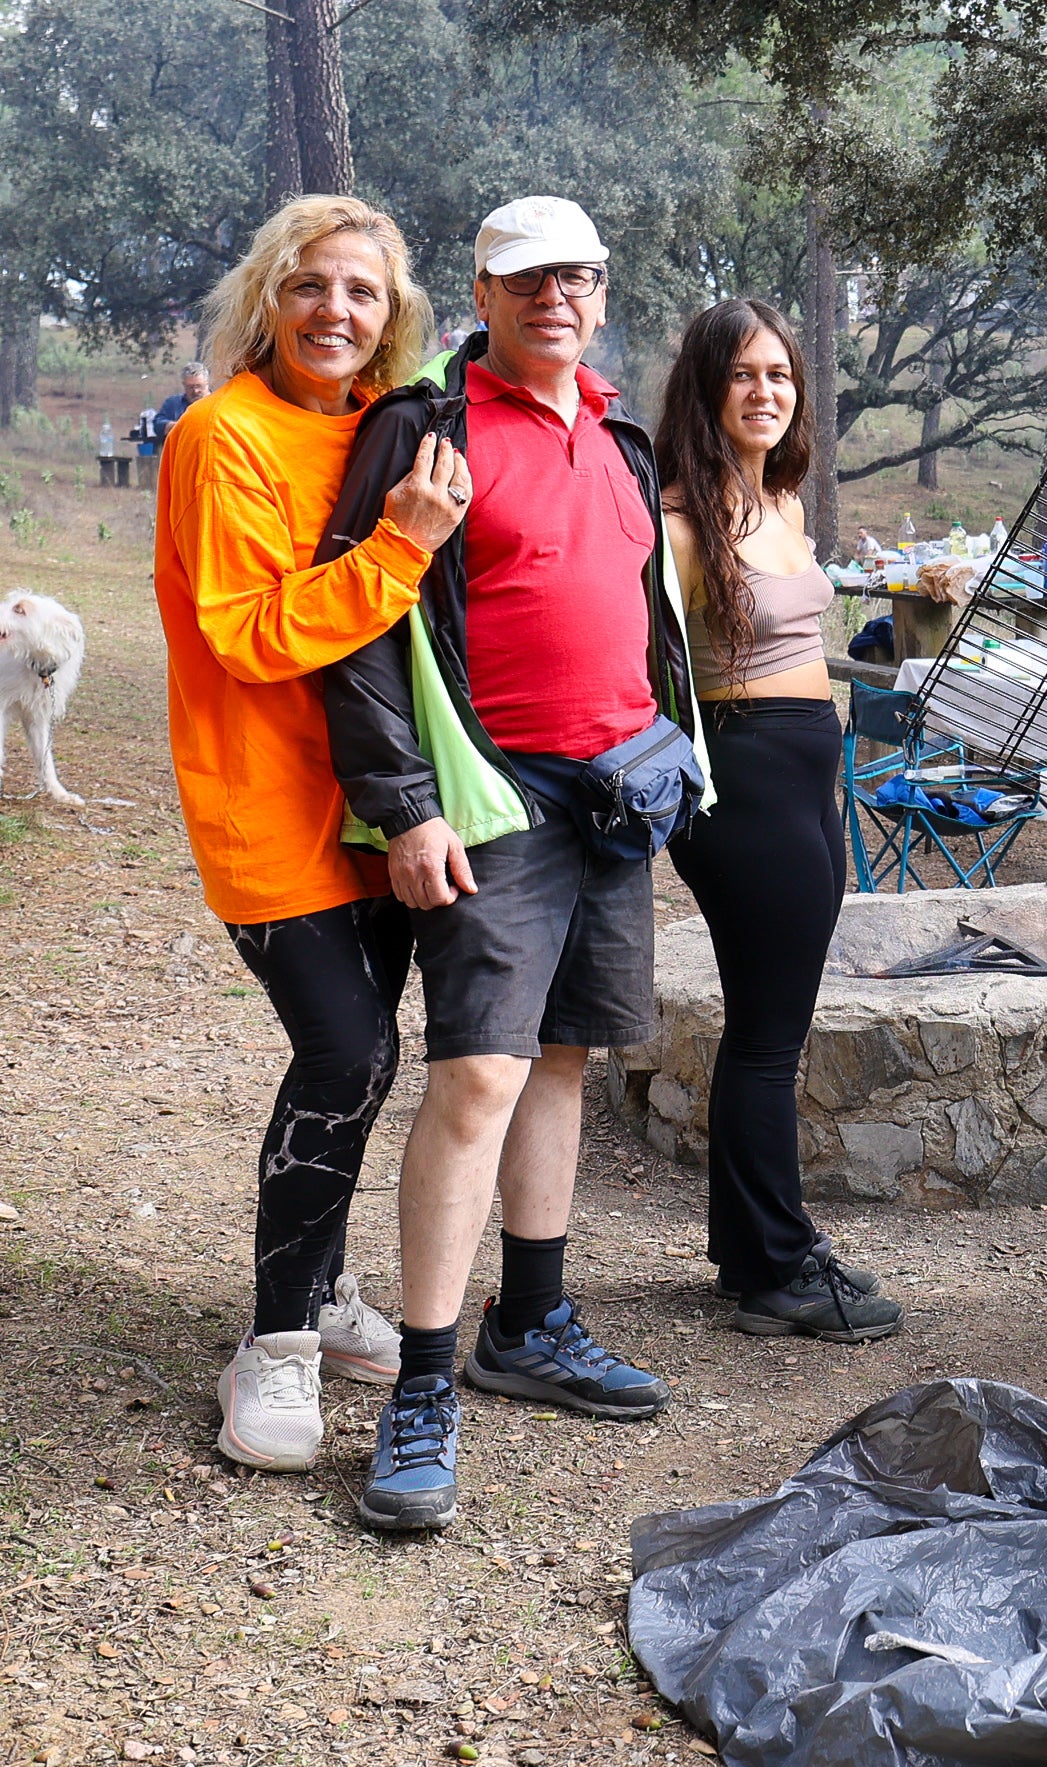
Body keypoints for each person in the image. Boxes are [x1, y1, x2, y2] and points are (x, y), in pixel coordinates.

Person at [325, 196, 707, 1531]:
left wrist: (671, 749)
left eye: (576, 277)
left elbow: (642, 612)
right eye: (526, 279)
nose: (555, 298)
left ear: (601, 292)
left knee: (562, 1057)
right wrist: (404, 807)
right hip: (495, 797)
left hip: (617, 789)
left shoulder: (618, 430)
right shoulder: (423, 428)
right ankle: (421, 1385)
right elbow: (360, 625)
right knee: (479, 1070)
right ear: (481, 294)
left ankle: (530, 1323)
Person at [155, 196, 468, 1475]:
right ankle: (276, 1342)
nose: (335, 311)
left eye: (362, 291)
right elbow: (248, 632)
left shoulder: (384, 428)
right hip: (265, 805)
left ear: (392, 317)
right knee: (346, 1055)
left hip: (374, 804)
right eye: (309, 285)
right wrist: (400, 547)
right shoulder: (221, 433)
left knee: (367, 1061)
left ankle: (325, 1291)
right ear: (267, 299)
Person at [656, 299, 900, 1342]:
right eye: (743, 374)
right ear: (706, 388)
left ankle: (748, 1250)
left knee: (769, 1027)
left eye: (780, 375)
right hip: (742, 776)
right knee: (767, 1036)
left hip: (807, 771)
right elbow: (648, 672)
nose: (765, 392)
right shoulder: (677, 522)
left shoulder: (783, 502)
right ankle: (780, 1269)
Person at [154, 364, 209, 450]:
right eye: (190, 387)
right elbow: (158, 425)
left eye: (198, 386)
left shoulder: (218, 404)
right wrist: (182, 426)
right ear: (184, 385)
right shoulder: (173, 404)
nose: (195, 391)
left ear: (207, 383)